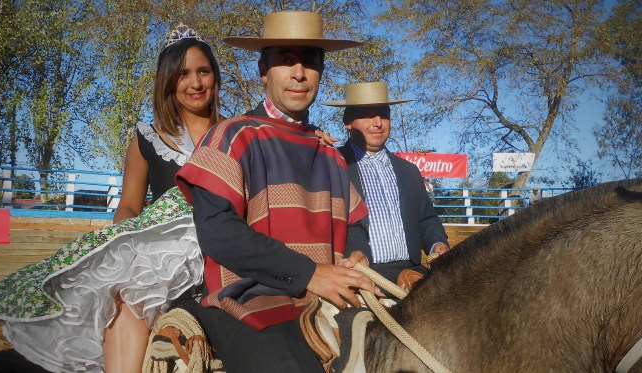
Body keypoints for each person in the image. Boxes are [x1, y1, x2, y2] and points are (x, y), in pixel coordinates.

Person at [0, 24, 222, 372]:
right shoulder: (146, 138)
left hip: (221, 246)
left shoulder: (237, 133)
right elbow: (129, 205)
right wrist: (128, 257)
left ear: (215, 76)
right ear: (168, 81)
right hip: (161, 252)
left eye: (203, 71)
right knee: (125, 300)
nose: (196, 83)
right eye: (183, 73)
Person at [170, 11, 382, 372]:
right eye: (286, 61)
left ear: (320, 72)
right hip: (251, 297)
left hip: (329, 292)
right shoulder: (234, 136)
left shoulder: (330, 152)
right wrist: (310, 273)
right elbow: (218, 232)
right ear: (263, 71)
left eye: (310, 63)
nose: (299, 73)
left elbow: (356, 225)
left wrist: (356, 254)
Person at [323, 81, 450, 286]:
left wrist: (437, 244)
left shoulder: (409, 171)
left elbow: (426, 218)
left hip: (413, 274)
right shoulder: (332, 166)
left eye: (383, 114)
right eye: (367, 115)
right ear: (348, 122)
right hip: (361, 275)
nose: (378, 123)